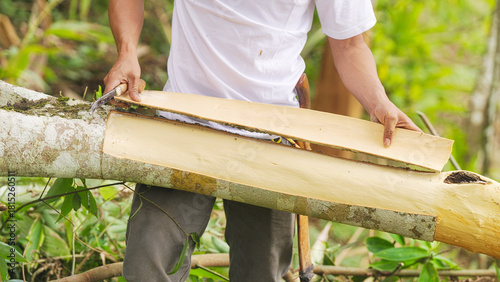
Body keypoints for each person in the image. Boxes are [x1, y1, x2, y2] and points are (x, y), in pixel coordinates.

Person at [104, 0, 422, 281]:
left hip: (270, 138)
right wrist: (126, 52)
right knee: (149, 264)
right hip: (182, 124)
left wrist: (379, 103)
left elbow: (350, 46)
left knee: (261, 270)